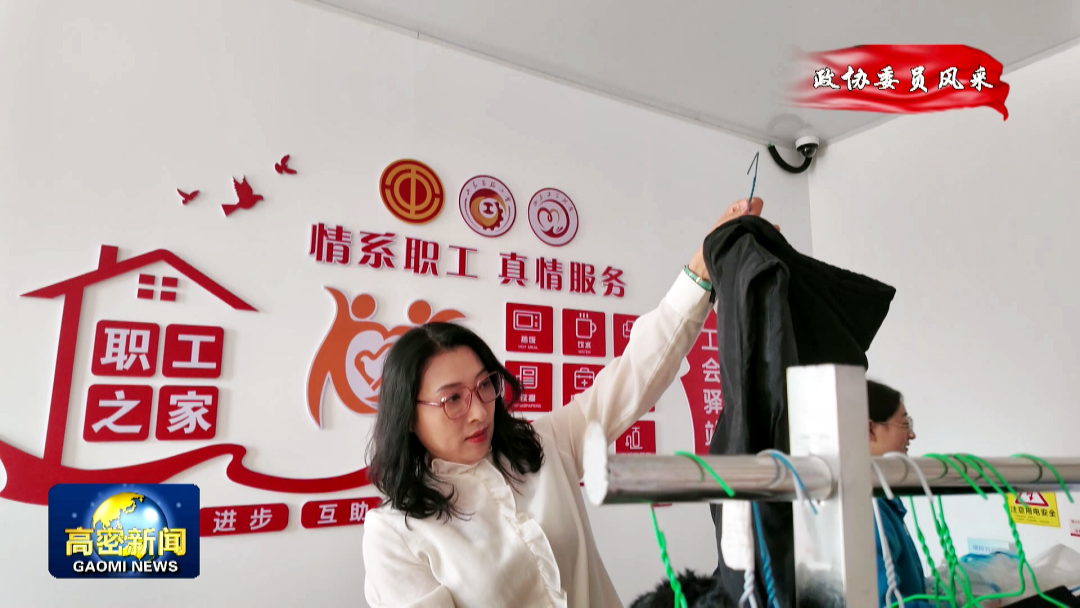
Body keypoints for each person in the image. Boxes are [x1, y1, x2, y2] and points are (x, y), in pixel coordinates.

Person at [360, 197, 771, 608]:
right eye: (453, 399)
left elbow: (636, 372)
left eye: (485, 385)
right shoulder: (394, 533)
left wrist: (700, 271)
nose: (480, 411)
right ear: (409, 416)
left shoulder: (542, 446)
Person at [868, 379, 930, 607]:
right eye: (904, 424)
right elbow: (886, 603)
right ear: (870, 429)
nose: (911, 435)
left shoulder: (884, 501)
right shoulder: (868, 511)